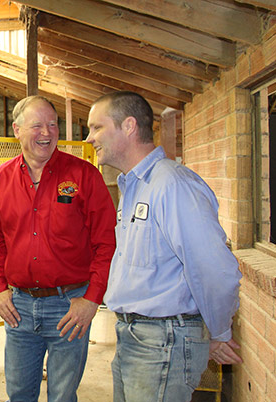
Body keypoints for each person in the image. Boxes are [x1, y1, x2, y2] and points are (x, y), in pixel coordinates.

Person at [86, 91, 243, 402]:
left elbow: (214, 269)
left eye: (96, 128)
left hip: (163, 341)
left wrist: (218, 332)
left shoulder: (172, 185)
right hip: (136, 337)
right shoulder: (134, 186)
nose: (90, 138)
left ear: (128, 126)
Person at [0, 95, 116, 402]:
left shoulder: (84, 175)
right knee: (18, 392)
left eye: (53, 124)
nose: (47, 132)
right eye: (37, 125)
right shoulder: (1, 179)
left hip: (70, 306)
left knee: (62, 395)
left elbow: (106, 243)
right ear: (17, 130)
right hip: (19, 307)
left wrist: (92, 299)